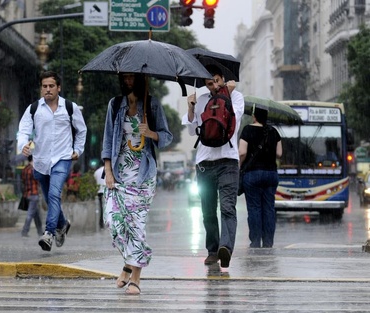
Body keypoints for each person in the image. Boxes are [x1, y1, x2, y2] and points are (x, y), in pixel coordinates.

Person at [102, 73, 173, 295]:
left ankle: (136, 277)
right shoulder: (115, 105)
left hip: (142, 176)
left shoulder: (151, 105)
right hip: (119, 174)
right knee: (113, 221)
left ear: (140, 79)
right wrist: (108, 172)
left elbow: (167, 136)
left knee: (136, 226)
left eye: (132, 77)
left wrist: (150, 132)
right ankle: (127, 263)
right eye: (125, 77)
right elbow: (107, 139)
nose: (128, 80)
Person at [182, 65, 245, 272]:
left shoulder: (236, 97)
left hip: (228, 160)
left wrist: (227, 92)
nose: (214, 86)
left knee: (227, 207)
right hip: (204, 163)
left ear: (223, 79)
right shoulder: (200, 101)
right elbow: (192, 132)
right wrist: (191, 108)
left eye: (217, 81)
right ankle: (212, 250)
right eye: (210, 83)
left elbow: (234, 119)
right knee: (208, 211)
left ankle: (225, 248)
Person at [17, 70, 87, 252]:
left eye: (51, 86)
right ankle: (62, 224)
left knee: (54, 194)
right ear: (41, 89)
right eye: (44, 86)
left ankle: (49, 233)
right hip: (40, 161)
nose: (48, 89)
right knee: (49, 198)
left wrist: (77, 150)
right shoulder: (33, 109)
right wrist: (23, 144)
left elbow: (82, 130)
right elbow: (23, 130)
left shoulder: (70, 108)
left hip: (63, 158)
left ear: (58, 88)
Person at [238, 105, 282, 248]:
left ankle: (255, 242)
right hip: (271, 174)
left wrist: (240, 166)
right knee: (269, 208)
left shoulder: (247, 130)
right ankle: (268, 242)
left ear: (254, 116)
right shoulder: (274, 131)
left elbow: (242, 152)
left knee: (254, 208)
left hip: (252, 174)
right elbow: (279, 154)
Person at [21, 155, 43, 238]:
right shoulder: (33, 170)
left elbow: (23, 181)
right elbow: (38, 180)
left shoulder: (25, 169)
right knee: (30, 214)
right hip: (34, 194)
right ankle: (25, 231)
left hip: (27, 194)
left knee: (36, 215)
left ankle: (40, 231)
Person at [93, 163, 105, 228]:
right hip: (106, 191)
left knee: (101, 208)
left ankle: (101, 223)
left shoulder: (96, 172)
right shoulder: (107, 169)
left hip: (99, 191)